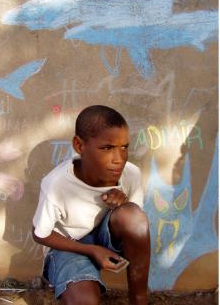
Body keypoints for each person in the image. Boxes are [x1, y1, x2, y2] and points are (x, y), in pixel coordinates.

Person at [32, 105, 150, 304]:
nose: (119, 159)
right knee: (84, 301)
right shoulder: (56, 184)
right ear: (79, 146)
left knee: (132, 216)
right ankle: (77, 280)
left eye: (124, 147)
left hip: (105, 238)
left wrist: (123, 203)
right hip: (69, 247)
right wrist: (92, 250)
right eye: (107, 148)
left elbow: (135, 226)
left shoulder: (131, 174)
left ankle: (139, 300)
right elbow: (39, 233)